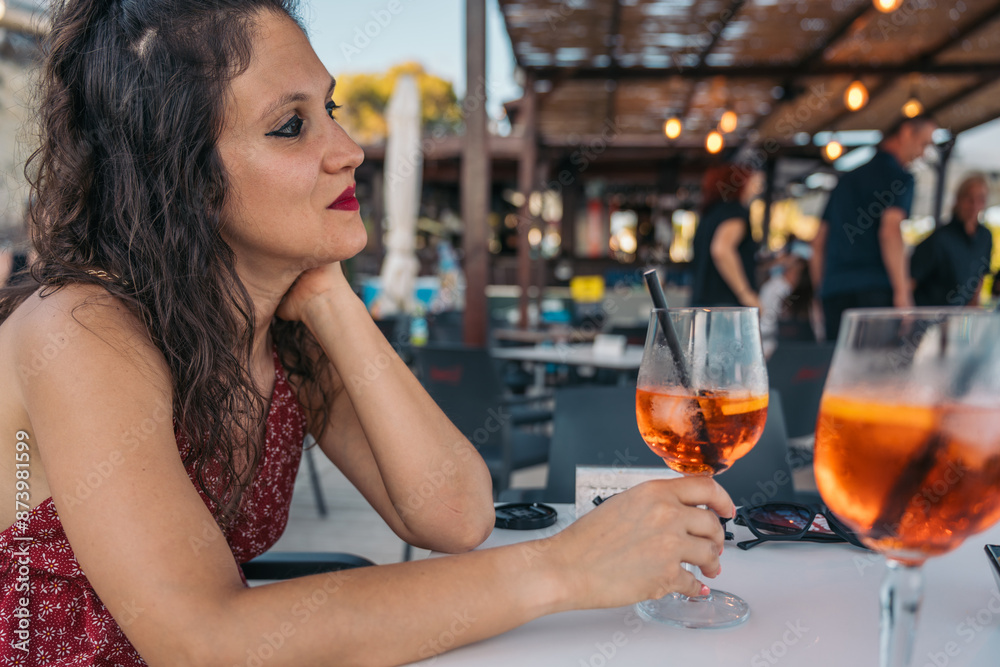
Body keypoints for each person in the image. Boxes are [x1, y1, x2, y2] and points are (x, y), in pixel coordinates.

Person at [0, 2, 733, 665]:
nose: (348, 147)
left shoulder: (282, 330)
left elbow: (455, 514)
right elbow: (206, 639)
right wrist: (565, 566)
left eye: (331, 108)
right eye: (291, 125)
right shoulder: (82, 331)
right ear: (179, 176)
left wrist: (333, 301)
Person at [811, 114, 938, 341]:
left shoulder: (846, 179)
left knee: (840, 372)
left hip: (835, 292)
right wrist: (903, 293)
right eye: (924, 143)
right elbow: (890, 232)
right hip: (875, 294)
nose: (923, 153)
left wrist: (821, 292)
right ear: (906, 131)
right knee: (876, 374)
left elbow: (819, 241)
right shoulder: (900, 177)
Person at [911, 173, 993, 306]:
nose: (974, 205)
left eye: (980, 199)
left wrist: (973, 306)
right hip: (931, 315)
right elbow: (912, 279)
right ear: (959, 199)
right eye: (969, 198)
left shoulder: (985, 237)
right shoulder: (939, 238)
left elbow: (980, 276)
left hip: (960, 319)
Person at [689, 163, 763, 307]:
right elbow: (721, 250)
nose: (757, 185)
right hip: (726, 307)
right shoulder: (734, 211)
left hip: (702, 303)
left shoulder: (710, 213)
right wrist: (746, 294)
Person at [759, 241, 815, 358]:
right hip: (777, 349)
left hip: (801, 352)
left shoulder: (809, 291)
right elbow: (765, 325)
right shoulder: (775, 287)